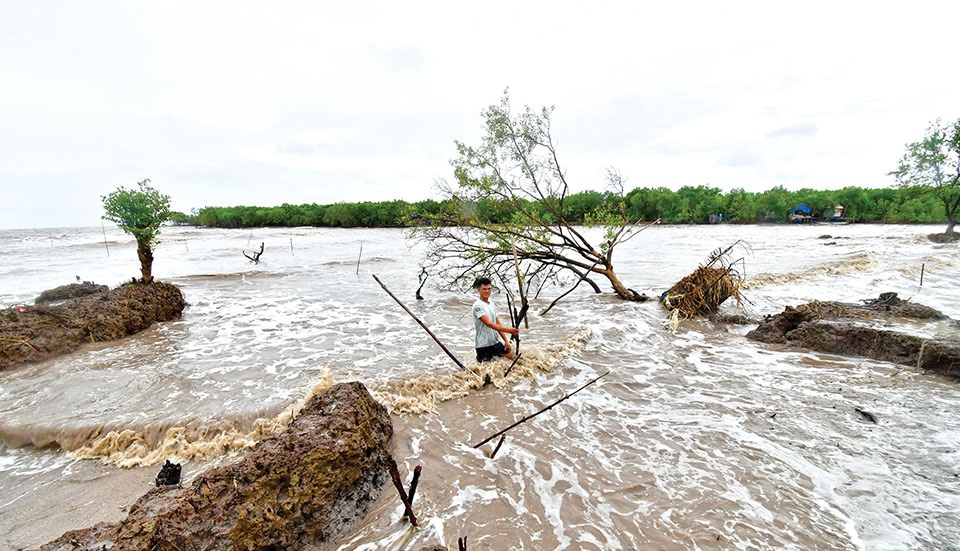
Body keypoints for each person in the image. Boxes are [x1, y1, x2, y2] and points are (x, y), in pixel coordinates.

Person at [472, 277, 520, 362]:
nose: (487, 291)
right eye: (484, 289)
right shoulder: (477, 306)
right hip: (483, 345)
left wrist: (506, 340)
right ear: (479, 290)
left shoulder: (492, 304)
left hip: (495, 342)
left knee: (512, 358)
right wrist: (509, 330)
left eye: (489, 289)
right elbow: (488, 323)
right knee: (485, 368)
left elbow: (497, 322)